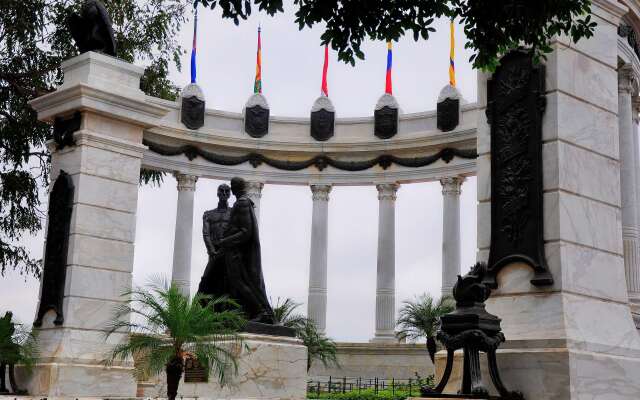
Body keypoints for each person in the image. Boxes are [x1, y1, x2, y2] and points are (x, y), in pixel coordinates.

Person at [214, 177, 274, 323]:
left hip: (239, 254)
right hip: (237, 252)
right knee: (239, 284)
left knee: (240, 283)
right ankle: (255, 312)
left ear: (234, 189)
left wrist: (224, 241)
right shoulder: (243, 202)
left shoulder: (242, 203)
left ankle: (262, 311)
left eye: (230, 187)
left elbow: (245, 231)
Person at [196, 184, 232, 304]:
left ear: (230, 194)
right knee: (207, 279)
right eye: (221, 191)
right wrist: (212, 250)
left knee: (229, 280)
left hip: (228, 251)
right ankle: (200, 305)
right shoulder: (209, 214)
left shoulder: (233, 212)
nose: (224, 194)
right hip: (214, 252)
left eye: (227, 191)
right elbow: (206, 234)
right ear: (217, 193)